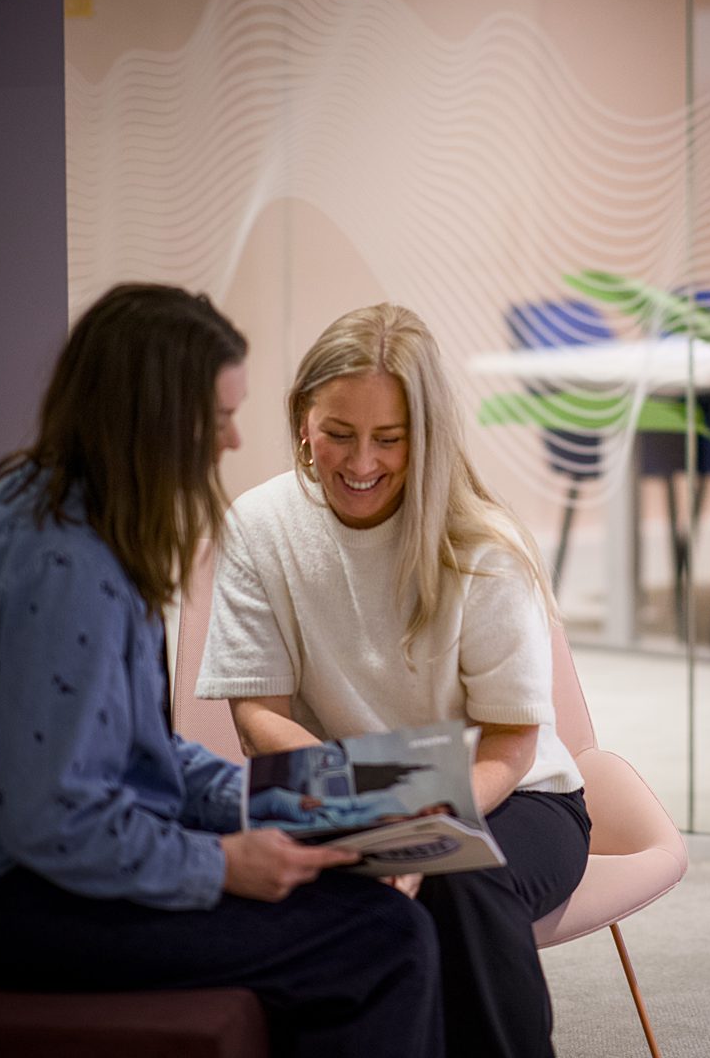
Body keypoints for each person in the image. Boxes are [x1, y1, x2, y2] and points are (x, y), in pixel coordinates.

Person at [0, 284, 441, 1058]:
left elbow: (136, 748)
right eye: (218, 419)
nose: (235, 441)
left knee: (360, 881)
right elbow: (55, 821)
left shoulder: (66, 509)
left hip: (18, 874)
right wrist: (221, 864)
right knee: (383, 939)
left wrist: (265, 797)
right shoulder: (66, 566)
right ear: (150, 419)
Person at [197, 302, 589, 1058]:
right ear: (302, 419)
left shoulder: (482, 543)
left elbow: (511, 743)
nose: (361, 462)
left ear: (426, 436)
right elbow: (256, 718)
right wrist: (373, 810)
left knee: (456, 878)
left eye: (389, 438)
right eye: (338, 433)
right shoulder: (258, 524)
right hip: (341, 787)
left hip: (518, 794)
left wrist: (410, 825)